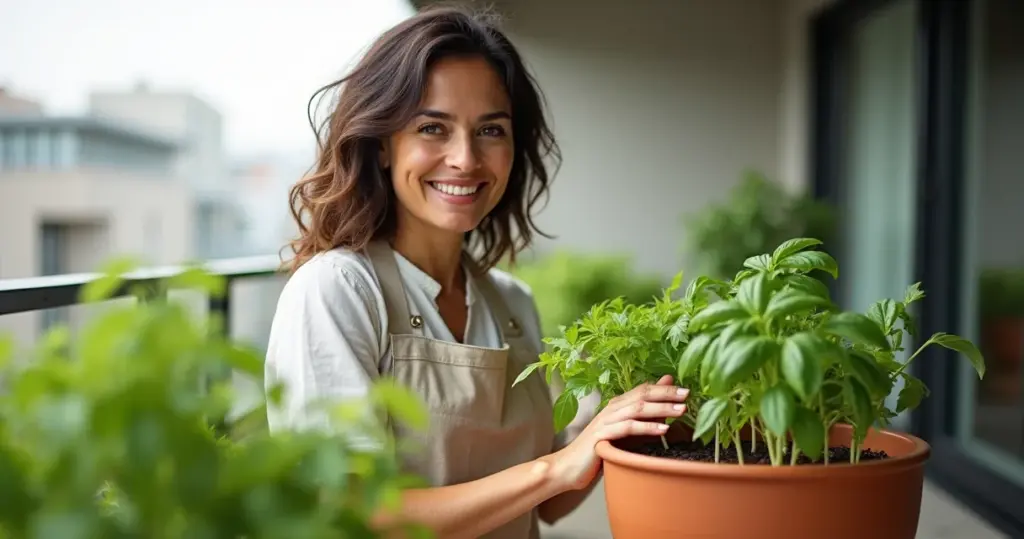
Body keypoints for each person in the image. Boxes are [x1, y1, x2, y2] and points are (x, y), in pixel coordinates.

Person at [264, 5, 690, 539]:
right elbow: (355, 514)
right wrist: (555, 467)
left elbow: (548, 506)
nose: (465, 158)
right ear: (380, 146)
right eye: (432, 128)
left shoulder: (512, 304)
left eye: (490, 129)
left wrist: (618, 421)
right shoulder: (336, 290)